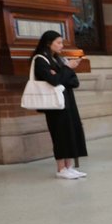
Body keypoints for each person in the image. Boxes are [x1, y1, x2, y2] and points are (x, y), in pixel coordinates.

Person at [30, 31, 87, 179]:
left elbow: (74, 81)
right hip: (54, 104)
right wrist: (66, 69)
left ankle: (69, 167)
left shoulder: (59, 59)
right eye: (59, 42)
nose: (61, 46)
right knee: (60, 134)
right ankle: (61, 169)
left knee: (71, 132)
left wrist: (61, 72)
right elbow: (54, 81)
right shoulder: (40, 60)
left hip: (68, 101)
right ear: (49, 43)